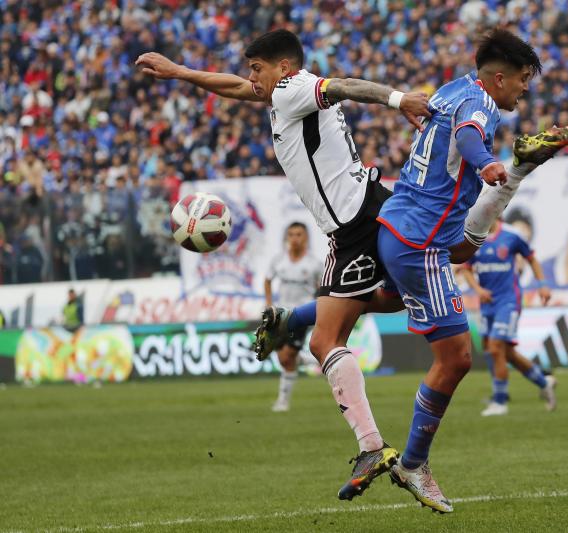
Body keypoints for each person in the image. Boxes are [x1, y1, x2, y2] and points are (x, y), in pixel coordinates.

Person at [137, 29, 430, 501]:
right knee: (394, 300)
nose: (251, 77)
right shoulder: (280, 95)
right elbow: (233, 86)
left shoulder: (295, 89)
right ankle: (292, 320)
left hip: (354, 226)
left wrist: (399, 100)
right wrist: (179, 72)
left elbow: (344, 85)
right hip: (374, 208)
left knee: (325, 341)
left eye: (258, 68)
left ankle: (371, 446)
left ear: (285, 68)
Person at [375, 29, 567, 513]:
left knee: (427, 273)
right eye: (522, 80)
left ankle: (295, 320)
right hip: (420, 238)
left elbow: (451, 132)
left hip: (401, 225)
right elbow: (467, 135)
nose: (524, 89)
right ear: (499, 77)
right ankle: (413, 463)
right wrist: (487, 165)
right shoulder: (480, 103)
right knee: (458, 358)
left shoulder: (451, 89)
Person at [460, 218, 556, 416]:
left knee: (496, 348)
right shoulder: (474, 237)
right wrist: (477, 289)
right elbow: (466, 269)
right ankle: (544, 382)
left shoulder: (511, 236)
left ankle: (500, 402)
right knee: (505, 353)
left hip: (509, 301)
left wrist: (543, 284)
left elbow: (531, 258)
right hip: (487, 304)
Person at [264, 222, 322, 412]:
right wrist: (269, 303)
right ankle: (306, 359)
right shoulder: (278, 261)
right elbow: (268, 279)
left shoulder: (314, 264)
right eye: (291, 235)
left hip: (301, 314)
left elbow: (323, 287)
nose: (295, 238)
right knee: (284, 359)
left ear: (305, 238)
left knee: (287, 355)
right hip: (281, 314)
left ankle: (282, 402)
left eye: (299, 234)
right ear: (286, 238)